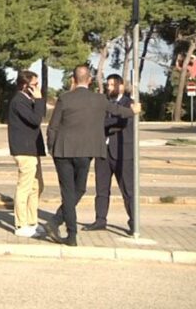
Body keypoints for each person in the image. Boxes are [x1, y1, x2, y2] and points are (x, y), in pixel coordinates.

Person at [43, 65, 140, 246]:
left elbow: (53, 126)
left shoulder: (64, 98)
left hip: (63, 151)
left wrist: (51, 148)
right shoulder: (99, 99)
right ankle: (60, 226)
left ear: (73, 79)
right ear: (89, 80)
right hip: (85, 153)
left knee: (69, 192)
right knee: (79, 190)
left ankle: (66, 230)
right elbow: (119, 111)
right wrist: (133, 111)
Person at [83, 74, 135, 236]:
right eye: (108, 85)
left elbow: (123, 122)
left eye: (112, 85)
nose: (109, 87)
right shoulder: (103, 102)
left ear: (121, 86)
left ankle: (134, 222)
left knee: (128, 190)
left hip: (122, 152)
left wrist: (104, 124)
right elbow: (94, 121)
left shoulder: (129, 104)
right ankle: (100, 220)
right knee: (101, 189)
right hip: (102, 152)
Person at [7, 70, 46, 237]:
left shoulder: (27, 100)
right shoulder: (19, 101)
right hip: (24, 150)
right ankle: (21, 225)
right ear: (25, 86)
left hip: (32, 149)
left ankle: (32, 221)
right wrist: (38, 99)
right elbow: (36, 120)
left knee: (37, 186)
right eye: (34, 85)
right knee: (24, 187)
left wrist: (38, 100)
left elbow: (39, 115)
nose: (37, 88)